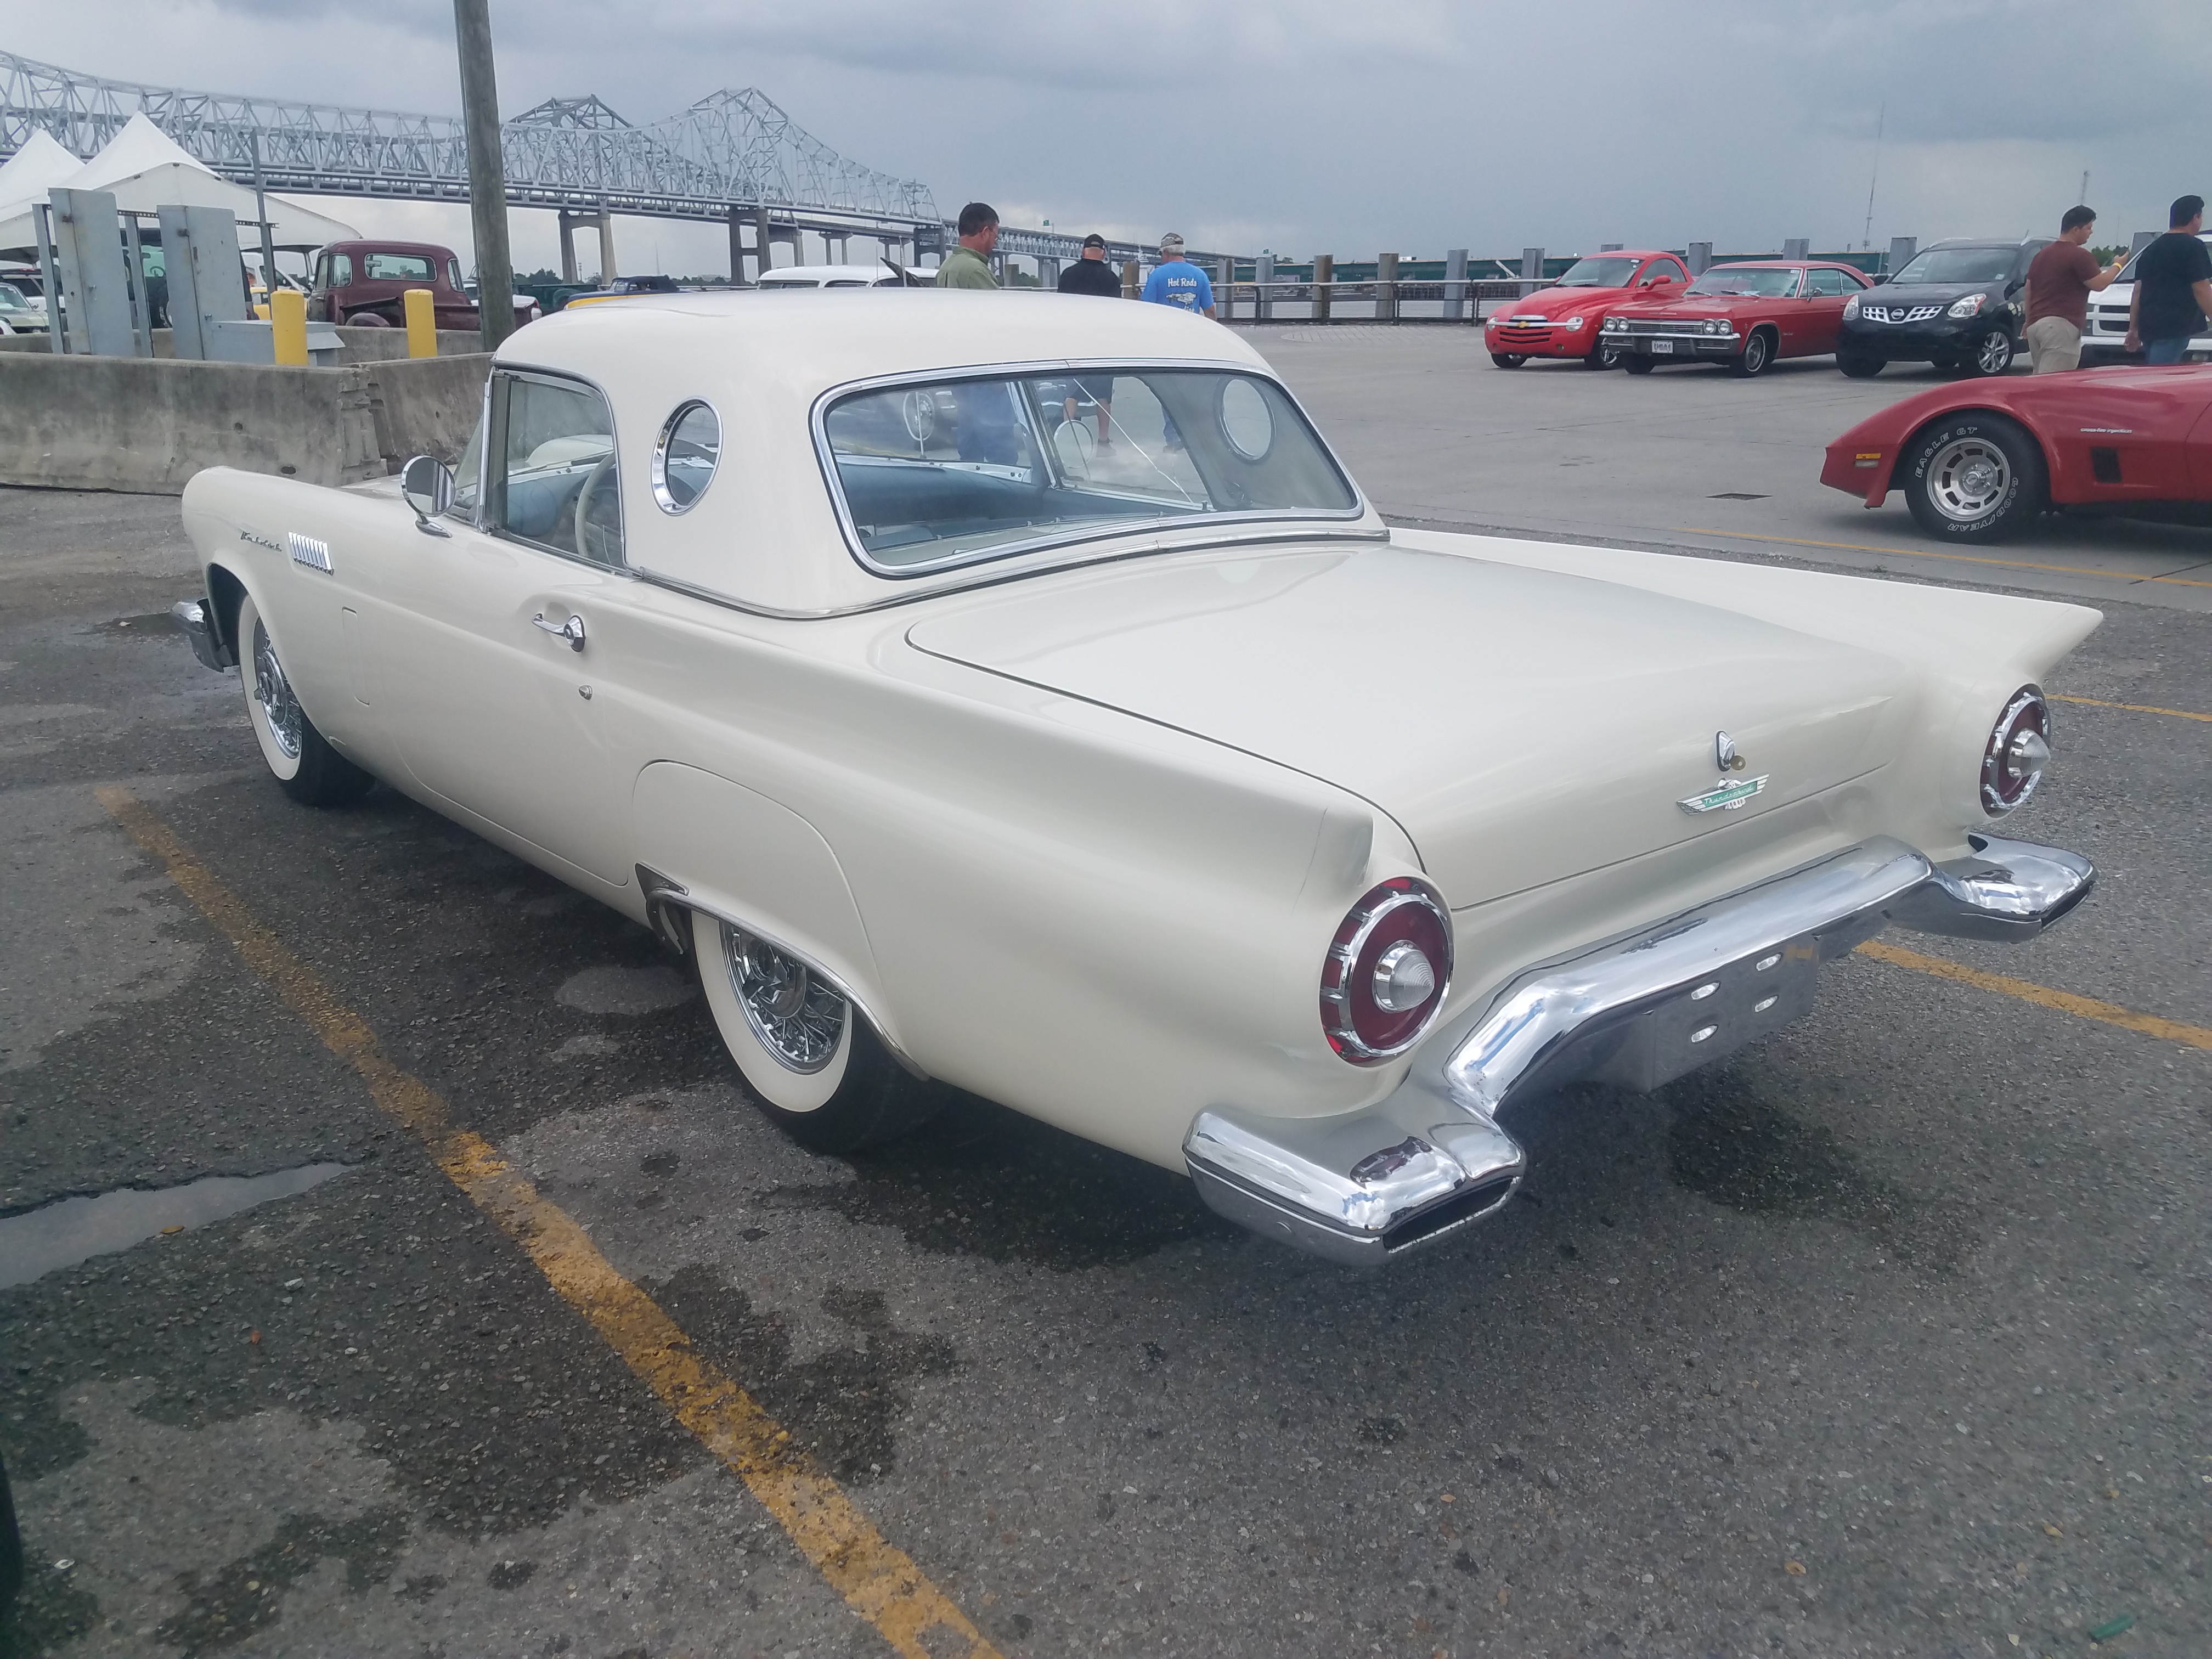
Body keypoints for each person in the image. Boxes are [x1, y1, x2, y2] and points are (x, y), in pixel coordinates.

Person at [2024, 205, 2124, 373]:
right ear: (2076, 229)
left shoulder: (2041, 255)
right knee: (2053, 385)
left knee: (2039, 379)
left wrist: (2028, 321)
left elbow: (2029, 289)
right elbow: (2100, 284)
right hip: (2060, 327)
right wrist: (2118, 264)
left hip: (2036, 325)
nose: (2091, 232)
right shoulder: (2079, 255)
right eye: (2089, 228)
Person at [2125, 194, 2212, 365]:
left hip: (2148, 326)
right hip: (2175, 326)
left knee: (2153, 370)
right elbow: (2201, 288)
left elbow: (2138, 291)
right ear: (2195, 217)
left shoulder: (2151, 249)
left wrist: (2133, 328)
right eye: (2200, 217)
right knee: (2160, 375)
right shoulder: (2193, 247)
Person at [1057, 235, 1121, 447]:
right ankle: (1103, 442)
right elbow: (1116, 314)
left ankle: (1069, 440)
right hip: (1102, 344)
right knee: (1103, 396)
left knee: (1072, 393)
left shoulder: (1068, 275)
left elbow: (1059, 310)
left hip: (1073, 342)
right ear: (1103, 253)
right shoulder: (1112, 278)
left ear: (1083, 251)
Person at [1138, 233, 1215, 318]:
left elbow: (1146, 307)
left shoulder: (1157, 275)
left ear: (1166, 252)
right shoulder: (1200, 275)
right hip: (1191, 327)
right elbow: (1210, 311)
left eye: (1161, 254)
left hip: (1166, 327)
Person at [935, 202, 1000, 289]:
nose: (994, 244)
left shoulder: (946, 266)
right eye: (995, 237)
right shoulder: (977, 271)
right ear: (985, 233)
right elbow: (996, 302)